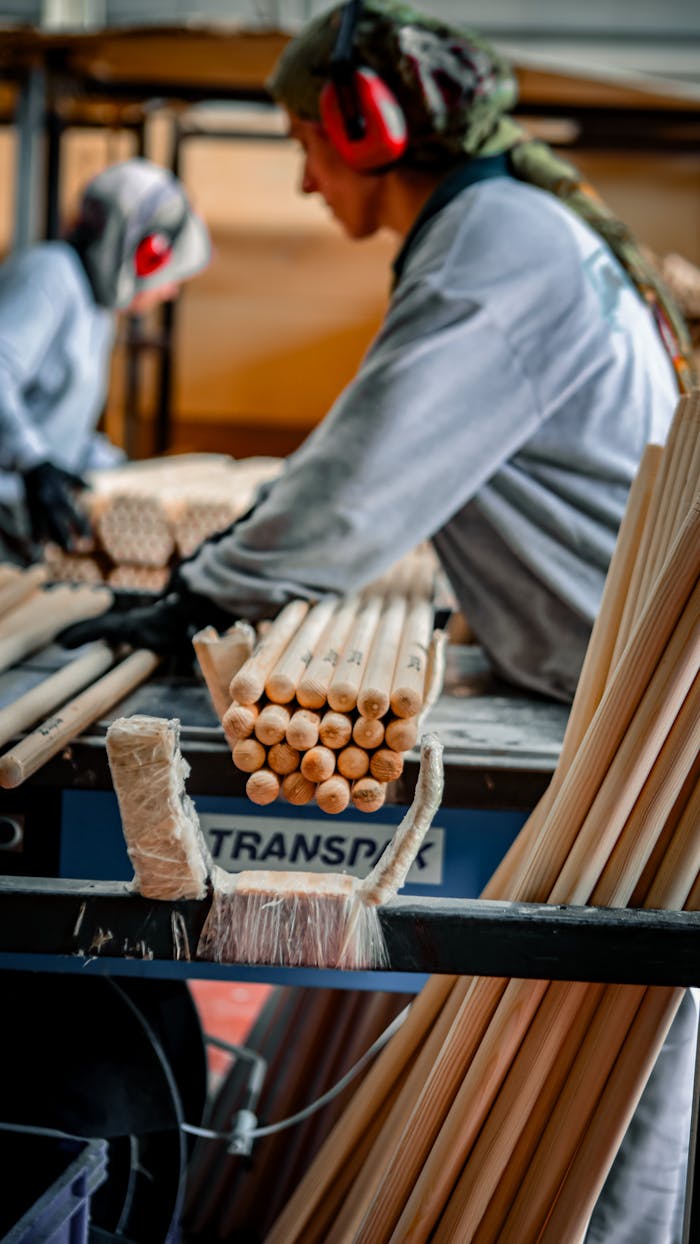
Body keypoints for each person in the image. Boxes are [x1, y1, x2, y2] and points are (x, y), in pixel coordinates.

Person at [59, 6, 697, 1240]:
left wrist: (198, 597)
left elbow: (355, 487)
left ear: (371, 124)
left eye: (307, 138)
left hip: (640, 715)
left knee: (614, 1054)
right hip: (591, 677)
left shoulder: (495, 243)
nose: (302, 175)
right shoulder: (505, 227)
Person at [0, 157, 211, 560]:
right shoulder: (49, 275)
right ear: (141, 255)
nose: (169, 292)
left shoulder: (95, 308)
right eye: (171, 278)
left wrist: (134, 476)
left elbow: (64, 429)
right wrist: (33, 463)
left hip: (22, 523)